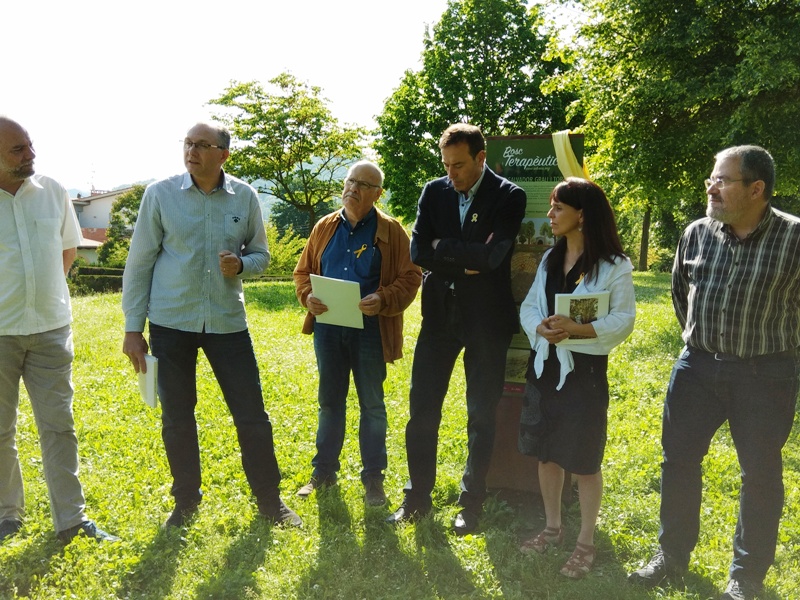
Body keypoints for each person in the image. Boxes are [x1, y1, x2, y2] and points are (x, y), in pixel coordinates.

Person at [628, 146, 800, 600]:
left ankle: (745, 578)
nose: (711, 186)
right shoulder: (696, 233)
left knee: (760, 475)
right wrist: (701, 345)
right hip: (698, 367)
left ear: (756, 188)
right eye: (712, 178)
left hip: (767, 374)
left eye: (722, 180)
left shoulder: (794, 238)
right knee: (678, 463)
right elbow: (680, 295)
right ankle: (672, 557)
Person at [122, 122, 301, 529]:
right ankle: (185, 502)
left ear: (223, 154)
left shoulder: (246, 196)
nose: (192, 151)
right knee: (177, 416)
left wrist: (240, 264)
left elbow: (261, 255)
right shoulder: (160, 194)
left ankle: (271, 502)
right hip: (170, 321)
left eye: (202, 145)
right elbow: (140, 262)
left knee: (251, 414)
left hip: (226, 322)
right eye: (188, 143)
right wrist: (133, 328)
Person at [386, 123, 526, 534]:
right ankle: (417, 497)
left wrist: (442, 249)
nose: (452, 174)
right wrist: (463, 258)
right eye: (446, 165)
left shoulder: (508, 195)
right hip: (439, 318)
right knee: (422, 409)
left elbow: (493, 258)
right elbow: (417, 251)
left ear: (481, 158)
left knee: (481, 414)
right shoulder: (434, 191)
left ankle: (472, 502)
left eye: (460, 165)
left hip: (487, 320)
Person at [0, 116, 118, 544]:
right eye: (18, 150)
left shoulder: (52, 191)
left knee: (59, 426)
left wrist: (48, 295)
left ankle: (71, 519)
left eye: (29, 146)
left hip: (50, 328)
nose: (30, 155)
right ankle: (6, 515)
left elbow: (70, 246)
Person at [518, 178, 635, 578]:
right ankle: (552, 528)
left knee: (584, 460)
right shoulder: (550, 260)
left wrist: (576, 329)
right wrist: (541, 330)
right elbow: (529, 308)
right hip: (546, 368)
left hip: (584, 374)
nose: (549, 215)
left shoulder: (614, 266)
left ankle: (585, 541)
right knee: (547, 453)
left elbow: (623, 321)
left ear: (581, 215)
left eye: (557, 209)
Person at [293, 161, 422, 506]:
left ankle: (373, 479)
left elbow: (412, 277)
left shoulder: (392, 231)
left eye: (364, 184)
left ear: (378, 194)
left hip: (370, 329)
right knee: (330, 402)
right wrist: (308, 296)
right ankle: (323, 472)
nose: (354, 189)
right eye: (351, 181)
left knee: (372, 404)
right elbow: (303, 272)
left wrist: (383, 298)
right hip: (329, 328)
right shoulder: (324, 227)